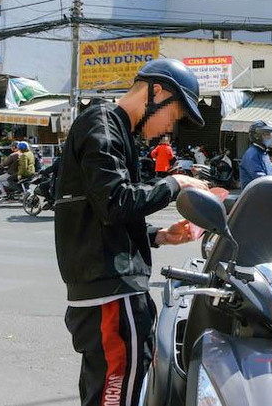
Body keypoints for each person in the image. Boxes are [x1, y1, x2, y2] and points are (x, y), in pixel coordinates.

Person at [54, 58, 210, 406]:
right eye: (174, 114)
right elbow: (115, 201)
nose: (169, 126)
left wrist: (158, 236)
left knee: (116, 393)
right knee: (117, 396)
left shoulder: (113, 130)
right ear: (157, 92)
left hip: (108, 289)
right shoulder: (103, 122)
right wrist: (175, 182)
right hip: (111, 292)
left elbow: (102, 210)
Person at [239, 120, 272, 190]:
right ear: (257, 136)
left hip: (264, 194)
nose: (270, 137)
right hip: (254, 197)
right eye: (267, 134)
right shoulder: (252, 154)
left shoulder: (263, 153)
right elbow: (260, 178)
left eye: (271, 134)